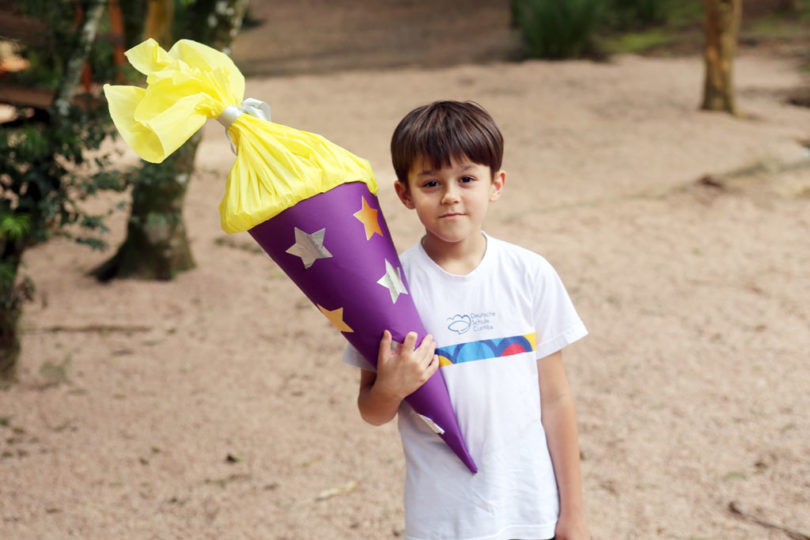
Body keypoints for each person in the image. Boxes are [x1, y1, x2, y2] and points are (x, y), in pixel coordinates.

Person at [342, 101, 589, 540]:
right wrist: (392, 386)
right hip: (443, 519)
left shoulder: (529, 274)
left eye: (467, 179)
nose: (451, 195)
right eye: (432, 182)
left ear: (496, 184)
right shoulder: (389, 289)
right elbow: (371, 411)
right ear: (404, 193)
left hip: (532, 508)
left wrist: (573, 515)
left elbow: (555, 399)